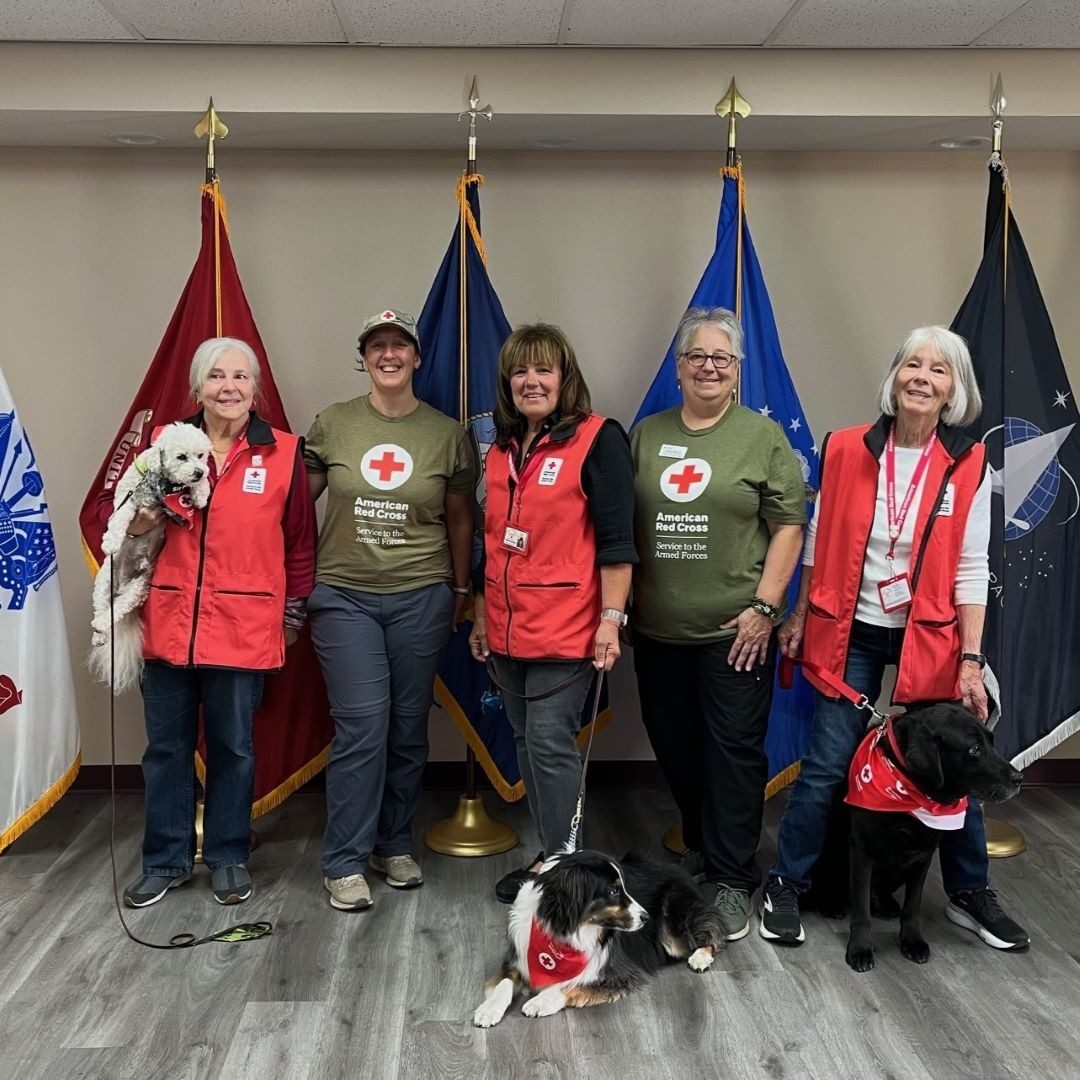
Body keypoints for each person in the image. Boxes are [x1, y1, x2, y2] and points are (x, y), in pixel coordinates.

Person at [759, 325, 1029, 951]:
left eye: (939, 371)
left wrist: (969, 657)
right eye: (913, 364)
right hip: (847, 628)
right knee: (828, 765)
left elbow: (970, 566)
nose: (922, 378)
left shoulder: (969, 464)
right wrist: (798, 614)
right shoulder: (846, 447)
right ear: (894, 376)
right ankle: (787, 884)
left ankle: (969, 894)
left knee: (955, 767)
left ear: (953, 391)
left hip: (928, 636)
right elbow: (820, 540)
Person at [117, 337, 316, 908]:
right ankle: (166, 861)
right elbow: (125, 522)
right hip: (169, 622)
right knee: (166, 751)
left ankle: (229, 855)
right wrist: (139, 522)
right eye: (216, 377)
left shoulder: (282, 453)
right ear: (196, 388)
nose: (229, 388)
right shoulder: (162, 448)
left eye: (240, 377)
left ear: (255, 387)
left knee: (233, 748)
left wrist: (293, 615)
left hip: (245, 625)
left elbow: (300, 543)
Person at [630, 306, 806, 941]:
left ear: (737, 371)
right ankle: (704, 841)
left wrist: (765, 607)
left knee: (733, 753)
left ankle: (733, 879)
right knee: (674, 742)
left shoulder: (761, 438)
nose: (708, 366)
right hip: (655, 632)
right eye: (697, 357)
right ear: (678, 368)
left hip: (737, 634)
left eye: (721, 358)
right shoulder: (646, 435)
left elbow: (790, 522)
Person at [306, 308, 477, 912]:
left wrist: (461, 591)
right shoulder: (333, 424)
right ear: (364, 358)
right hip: (343, 595)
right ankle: (344, 862)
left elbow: (461, 518)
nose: (388, 354)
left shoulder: (447, 434)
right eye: (376, 345)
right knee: (362, 726)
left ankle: (392, 844)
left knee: (408, 729)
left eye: (398, 345)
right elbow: (294, 509)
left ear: (416, 356)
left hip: (423, 595)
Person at [468, 323, 637, 903]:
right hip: (508, 626)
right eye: (520, 371)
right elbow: (491, 541)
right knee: (522, 740)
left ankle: (568, 869)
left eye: (544, 370)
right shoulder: (500, 447)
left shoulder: (598, 438)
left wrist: (611, 620)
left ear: (565, 379)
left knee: (547, 744)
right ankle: (551, 856)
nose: (531, 381)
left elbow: (618, 542)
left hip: (569, 629)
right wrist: (483, 618)